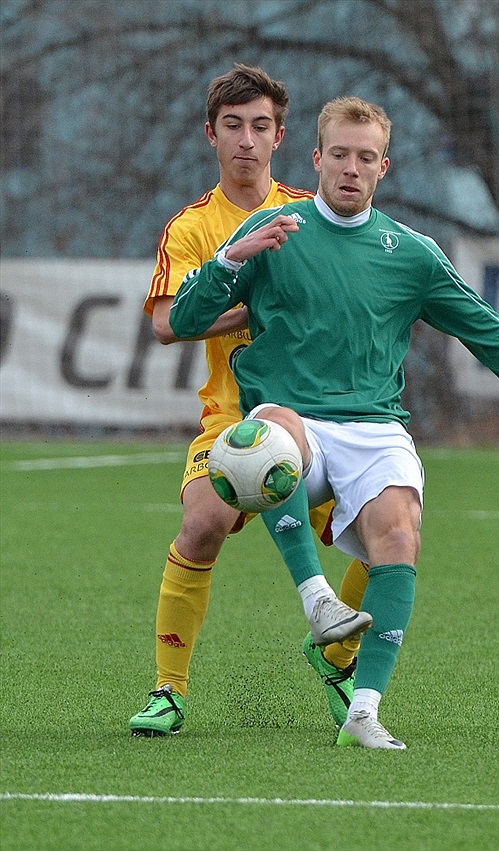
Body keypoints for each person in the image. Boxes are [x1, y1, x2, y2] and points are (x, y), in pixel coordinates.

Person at [169, 96, 499, 749]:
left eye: (365, 158)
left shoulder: (411, 252)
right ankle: (318, 597)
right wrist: (232, 260)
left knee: (400, 535)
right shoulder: (272, 231)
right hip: (290, 418)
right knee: (271, 439)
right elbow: (183, 320)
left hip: (373, 426)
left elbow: (485, 331)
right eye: (340, 155)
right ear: (317, 158)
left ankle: (363, 710)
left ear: (384, 168)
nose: (351, 168)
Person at [129, 68, 371, 738]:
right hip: (231, 420)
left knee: (387, 534)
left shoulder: (311, 211)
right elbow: (166, 321)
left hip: (320, 415)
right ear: (212, 136)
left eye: (260, 126)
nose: (246, 139)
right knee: (202, 523)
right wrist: (253, 303)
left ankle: (337, 653)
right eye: (233, 125)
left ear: (280, 136)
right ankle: (168, 690)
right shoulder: (193, 227)